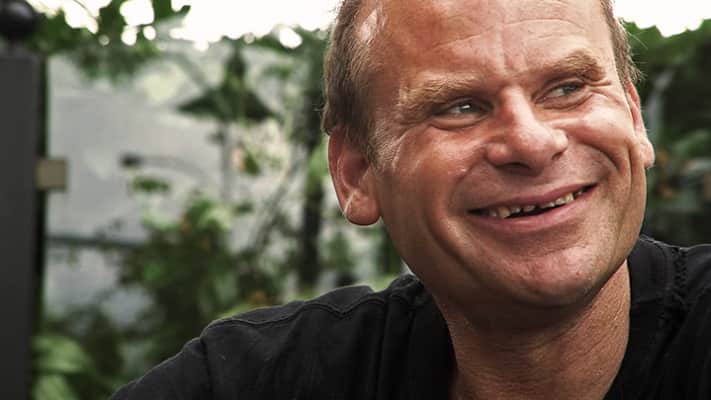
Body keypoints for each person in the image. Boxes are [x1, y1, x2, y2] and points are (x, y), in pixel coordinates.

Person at [112, 0, 711, 399]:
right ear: (356, 173)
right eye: (460, 107)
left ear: (634, 118)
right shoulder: (258, 380)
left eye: (569, 87)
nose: (532, 142)